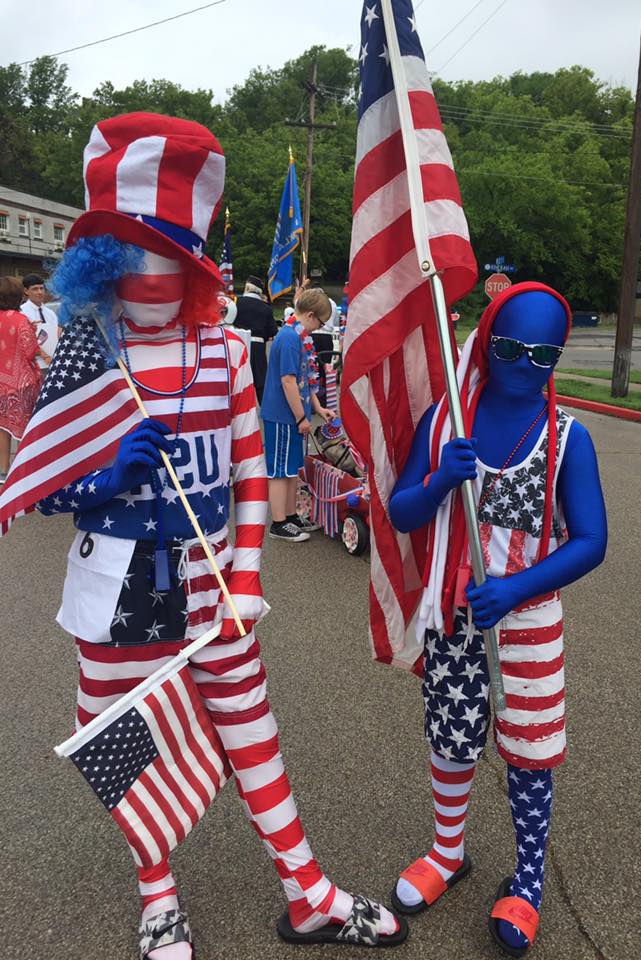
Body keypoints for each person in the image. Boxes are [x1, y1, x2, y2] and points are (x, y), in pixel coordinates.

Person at [0, 112, 406, 958]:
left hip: (215, 582)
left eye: (167, 257)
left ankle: (308, 890)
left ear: (191, 265)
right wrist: (105, 478)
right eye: (132, 255)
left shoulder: (224, 352)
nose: (149, 276)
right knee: (124, 741)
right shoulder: (84, 355)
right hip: (114, 591)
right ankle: (158, 897)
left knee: (250, 726)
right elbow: (41, 488)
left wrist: (249, 573)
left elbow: (252, 471)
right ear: (100, 261)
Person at [387, 283, 607, 956]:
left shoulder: (569, 439)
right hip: (454, 622)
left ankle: (529, 878)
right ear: (486, 341)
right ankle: (447, 851)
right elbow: (400, 512)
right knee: (451, 739)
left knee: (530, 754)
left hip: (528, 624)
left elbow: (591, 541)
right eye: (509, 347)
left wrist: (515, 590)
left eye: (543, 354)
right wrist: (438, 481)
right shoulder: (447, 421)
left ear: (558, 356)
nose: (524, 364)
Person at [260, 287, 335, 542]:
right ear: (311, 315)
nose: (319, 328)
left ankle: (290, 516)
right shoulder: (290, 338)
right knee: (280, 471)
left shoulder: (299, 336)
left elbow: (305, 380)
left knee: (292, 469)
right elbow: (289, 381)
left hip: (293, 415)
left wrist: (317, 408)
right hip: (282, 416)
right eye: (321, 323)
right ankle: (279, 523)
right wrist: (301, 417)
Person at [0, 276, 43, 482]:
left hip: (1, 381)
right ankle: (22, 470)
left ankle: (3, 470)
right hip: (21, 383)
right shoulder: (21, 320)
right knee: (25, 428)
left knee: (2, 427)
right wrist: (32, 332)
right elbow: (30, 350)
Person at [233, 276, 277, 401]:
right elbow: (272, 331)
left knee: (237, 378)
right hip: (257, 346)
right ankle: (266, 407)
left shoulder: (237, 303)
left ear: (247, 288)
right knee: (260, 380)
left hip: (238, 344)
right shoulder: (266, 308)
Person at [21, 273, 60, 374]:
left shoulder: (51, 313)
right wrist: (44, 356)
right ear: (26, 291)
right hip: (34, 364)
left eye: (41, 288)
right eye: (35, 289)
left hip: (54, 362)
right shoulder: (22, 312)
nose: (39, 292)